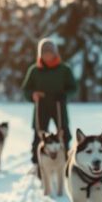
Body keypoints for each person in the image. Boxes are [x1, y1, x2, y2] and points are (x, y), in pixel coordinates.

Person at [21, 38, 77, 169]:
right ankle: (37, 163)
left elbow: (73, 88)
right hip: (41, 106)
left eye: (50, 52)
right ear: (40, 54)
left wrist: (65, 95)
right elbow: (26, 89)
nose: (47, 55)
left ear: (55, 53)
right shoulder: (34, 70)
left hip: (59, 105)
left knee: (63, 133)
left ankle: (64, 161)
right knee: (39, 134)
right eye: (44, 53)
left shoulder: (64, 69)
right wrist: (32, 95)